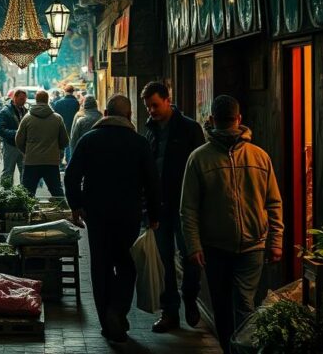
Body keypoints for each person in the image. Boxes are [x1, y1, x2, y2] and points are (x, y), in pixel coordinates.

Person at [182, 95, 284, 354]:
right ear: (239, 119)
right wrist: (275, 242)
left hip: (219, 245)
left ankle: (236, 351)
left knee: (227, 306)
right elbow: (274, 203)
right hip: (251, 243)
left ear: (212, 120)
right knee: (243, 305)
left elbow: (188, 209)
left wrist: (193, 246)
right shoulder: (260, 156)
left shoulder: (198, 158)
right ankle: (237, 350)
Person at [65, 94, 160, 344]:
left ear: (106, 114)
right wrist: (153, 214)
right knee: (127, 263)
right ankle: (118, 309)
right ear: (129, 116)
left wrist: (76, 205)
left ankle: (108, 324)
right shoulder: (139, 143)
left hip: (96, 214)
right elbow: (152, 182)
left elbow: (71, 175)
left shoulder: (89, 140)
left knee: (101, 266)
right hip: (128, 213)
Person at [141, 81, 206, 332]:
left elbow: (200, 169)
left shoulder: (189, 129)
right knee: (164, 261)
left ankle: (190, 297)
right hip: (160, 207)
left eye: (155, 105)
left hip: (186, 207)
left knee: (191, 257)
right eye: (148, 107)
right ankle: (170, 311)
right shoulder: (150, 130)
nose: (151, 111)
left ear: (168, 100)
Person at [15, 90, 68, 197]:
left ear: (36, 99)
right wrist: (57, 151)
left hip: (32, 161)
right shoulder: (57, 118)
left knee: (27, 193)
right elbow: (65, 141)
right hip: (51, 161)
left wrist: (26, 152)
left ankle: (27, 214)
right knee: (57, 192)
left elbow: (18, 140)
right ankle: (63, 212)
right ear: (48, 100)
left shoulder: (27, 118)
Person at [0, 89, 28, 188]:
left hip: (23, 147)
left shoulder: (25, 110)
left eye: (24, 99)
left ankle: (24, 194)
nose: (23, 101)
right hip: (11, 145)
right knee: (8, 172)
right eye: (21, 99)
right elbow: (1, 130)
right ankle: (6, 195)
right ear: (14, 98)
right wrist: (17, 133)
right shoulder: (5, 111)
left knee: (24, 172)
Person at [52, 85, 80, 168]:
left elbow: (55, 115)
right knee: (69, 144)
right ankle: (69, 162)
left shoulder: (58, 103)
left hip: (60, 125)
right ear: (73, 91)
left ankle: (59, 162)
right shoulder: (76, 103)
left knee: (60, 143)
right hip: (72, 125)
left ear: (64, 91)